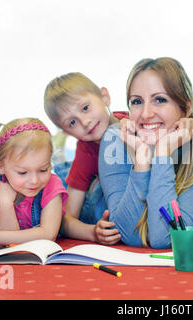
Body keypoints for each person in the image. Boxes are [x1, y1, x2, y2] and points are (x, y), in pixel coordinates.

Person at [98, 57, 193, 248]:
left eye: (159, 100)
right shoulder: (116, 139)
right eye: (137, 101)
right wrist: (142, 162)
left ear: (186, 108)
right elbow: (127, 234)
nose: (145, 114)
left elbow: (166, 238)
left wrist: (163, 154)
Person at [44, 72, 126, 245]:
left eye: (85, 108)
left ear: (104, 97)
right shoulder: (86, 152)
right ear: (67, 132)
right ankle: (58, 160)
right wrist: (92, 232)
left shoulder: (132, 122)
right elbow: (67, 220)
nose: (85, 122)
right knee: (53, 193)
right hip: (82, 183)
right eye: (72, 123)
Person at [0, 118, 68, 247]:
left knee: (71, 225)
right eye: (22, 173)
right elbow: (8, 245)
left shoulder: (52, 184)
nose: (35, 181)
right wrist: (5, 204)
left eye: (43, 169)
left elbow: (48, 235)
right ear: (0, 166)